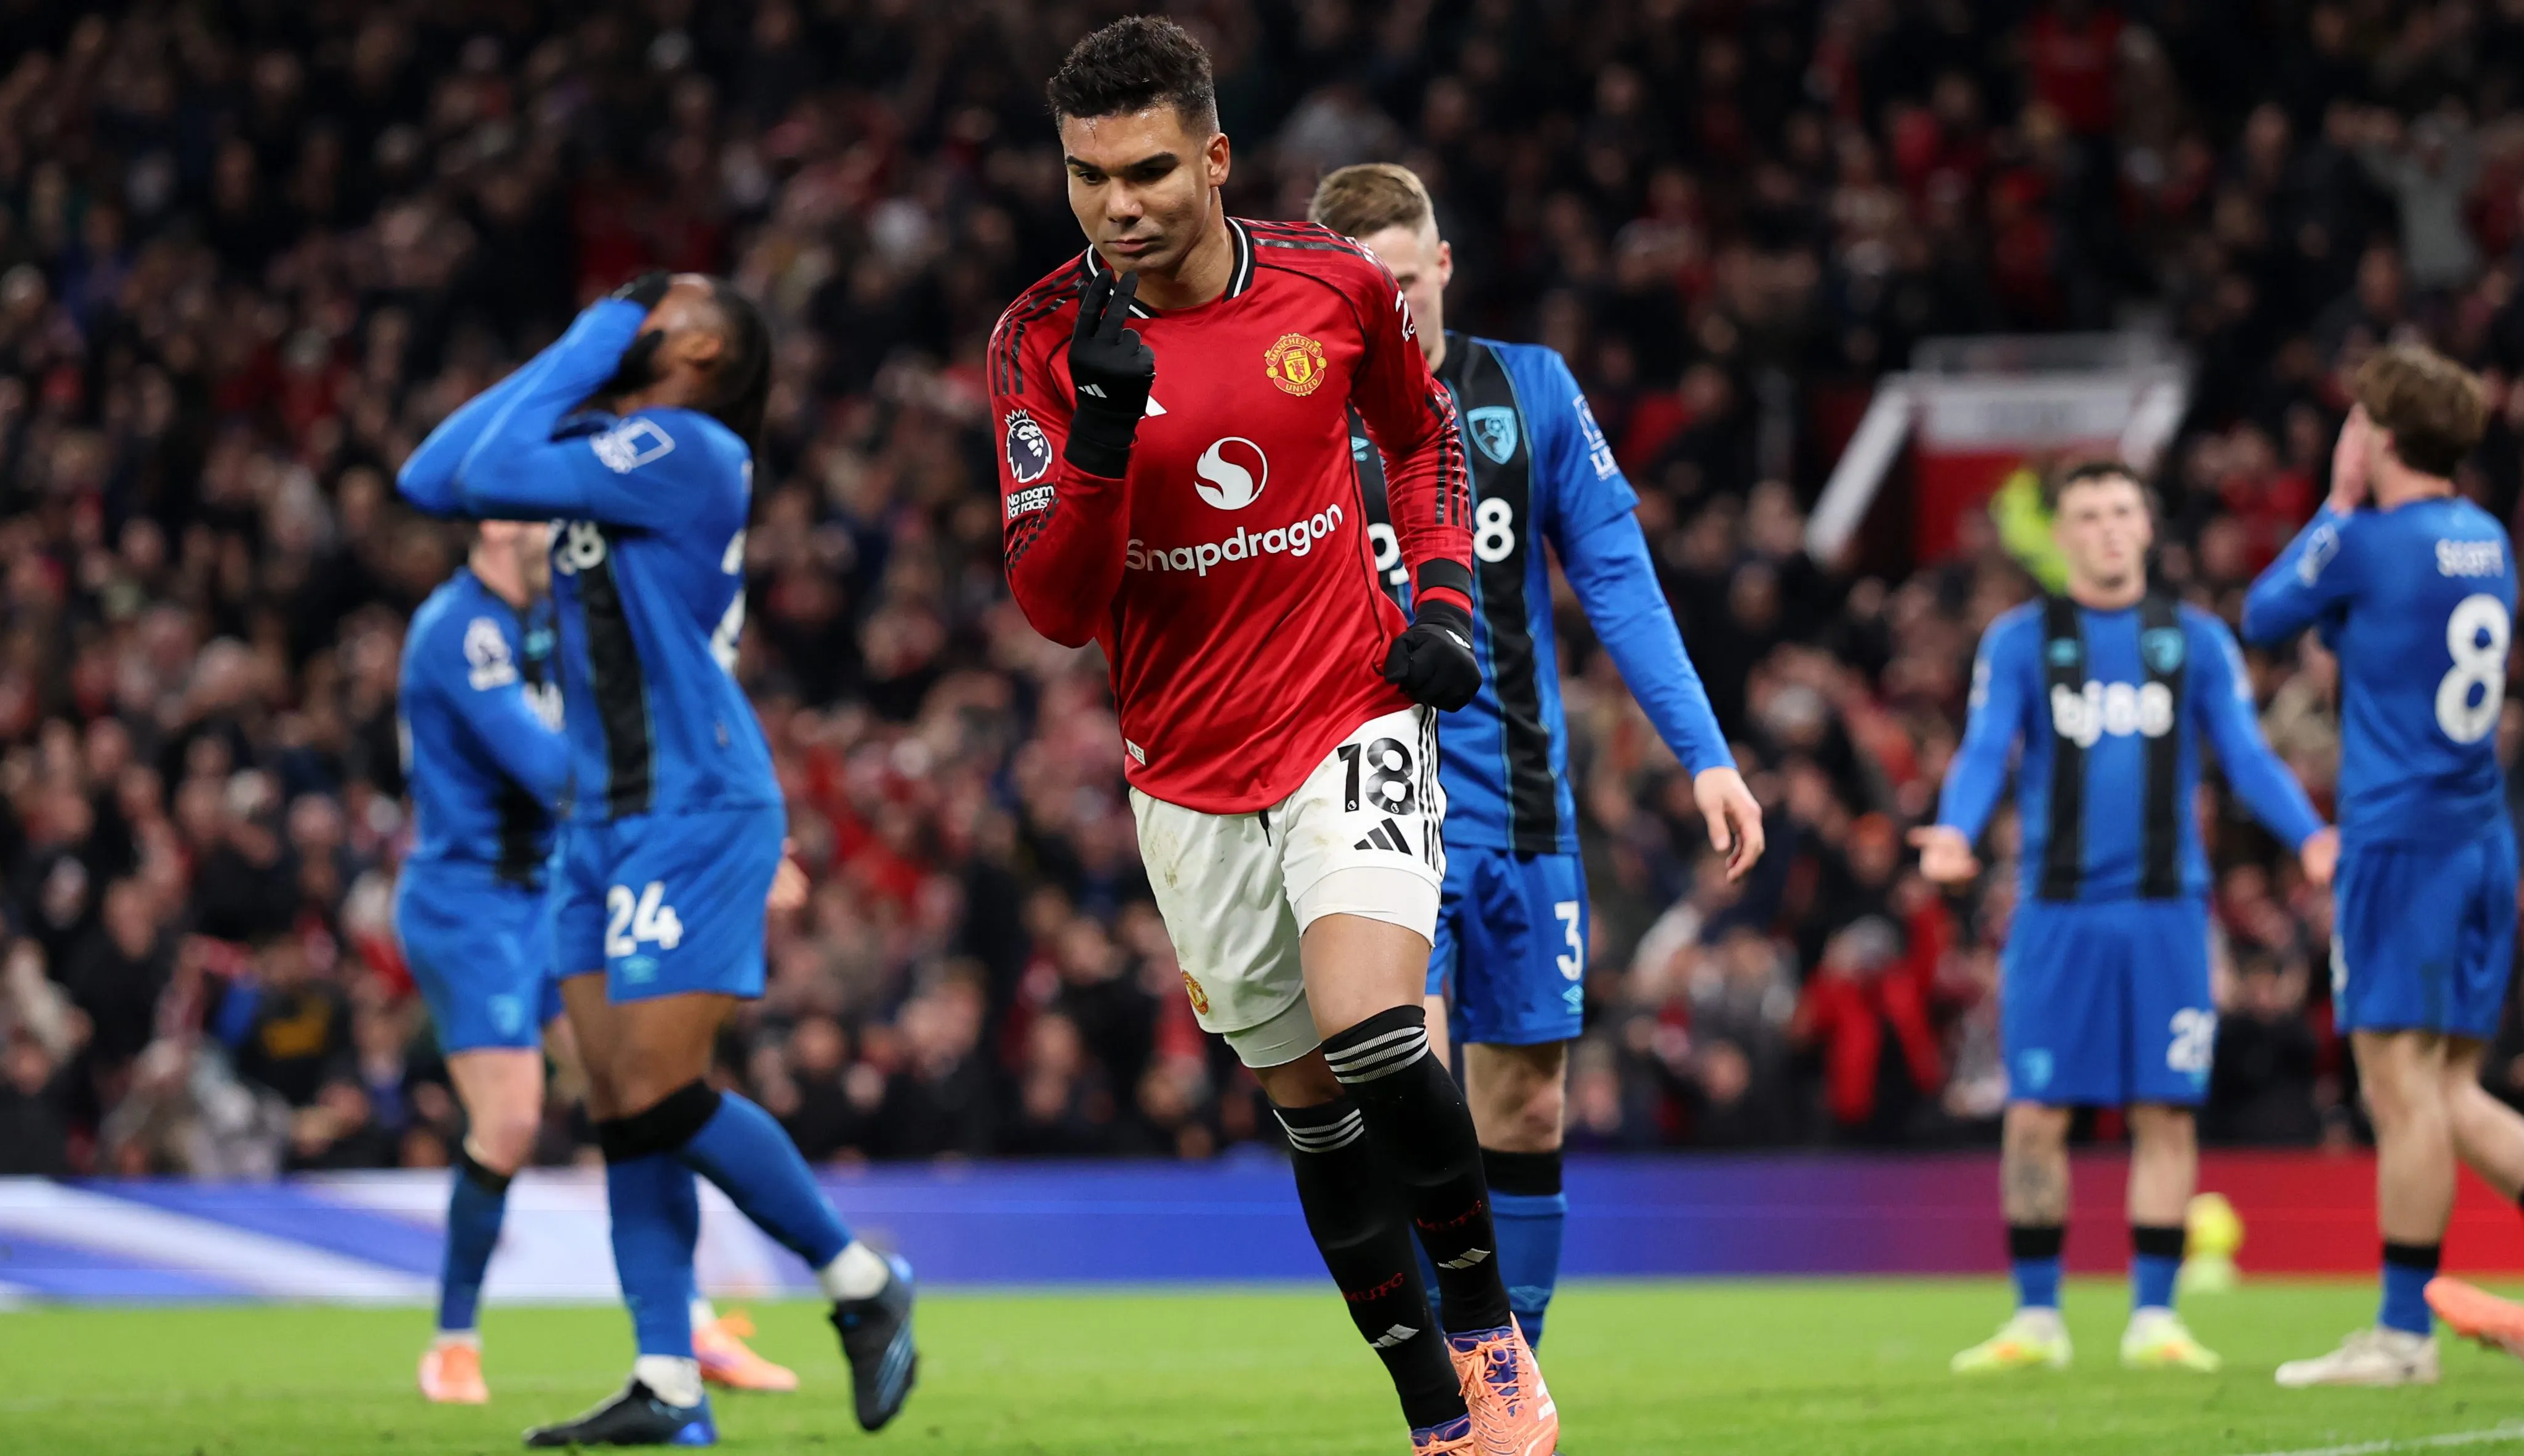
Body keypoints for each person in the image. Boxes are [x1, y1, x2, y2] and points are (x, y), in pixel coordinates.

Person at [988, 19, 1551, 1456]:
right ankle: (1432, 1412)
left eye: (1151, 170)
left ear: (1216, 157)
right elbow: (1055, 606)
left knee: (1373, 1035)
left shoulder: (1334, 286)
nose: (1119, 205)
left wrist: (1438, 601)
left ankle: (1493, 1351)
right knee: (1310, 1113)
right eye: (1088, 176)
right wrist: (1104, 444)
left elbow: (1420, 439)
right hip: (1184, 771)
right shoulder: (1041, 341)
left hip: (1341, 712)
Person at [398, 271, 915, 1445]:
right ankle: (668, 1381)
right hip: (601, 825)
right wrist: (576, 348)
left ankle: (856, 1276)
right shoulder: (605, 442)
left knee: (664, 1091)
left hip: (691, 806)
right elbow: (432, 477)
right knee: (625, 1110)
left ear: (702, 354)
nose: (636, 315)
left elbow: (480, 474)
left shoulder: (690, 448)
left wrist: (586, 333)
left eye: (659, 309)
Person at [1309, 162, 1764, 1352]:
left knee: (1527, 1096)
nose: (1390, 307)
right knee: (1417, 1095)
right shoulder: (1298, 408)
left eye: (1406, 281)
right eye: (1364, 288)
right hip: (1368, 819)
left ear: (1441, 266)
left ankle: (1516, 1376)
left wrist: (1704, 755)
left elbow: (1617, 580)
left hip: (1516, 808)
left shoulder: (1531, 392)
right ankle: (1457, 1384)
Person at [1914, 460, 2334, 1376]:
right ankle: (2036, 1317)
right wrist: (1952, 830)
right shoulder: (2020, 641)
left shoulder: (2194, 641)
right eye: (2086, 515)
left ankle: (2154, 1315)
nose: (2105, 529)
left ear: (2146, 528)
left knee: (2165, 1111)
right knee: (2033, 1114)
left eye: (2119, 512)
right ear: (2060, 536)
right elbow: (1985, 747)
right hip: (2054, 914)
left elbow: (2248, 756)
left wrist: (2309, 835)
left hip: (2164, 913)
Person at [395, 522, 796, 1405]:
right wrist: (704, 828)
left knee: (643, 1085)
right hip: (472, 903)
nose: (563, 527)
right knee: (510, 1123)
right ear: (502, 525)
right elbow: (550, 769)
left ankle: (686, 1324)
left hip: (548, 891)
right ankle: (453, 1341)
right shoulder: (463, 629)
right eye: (544, 514)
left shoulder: (538, 623)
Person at [2242, 344, 2524, 1388]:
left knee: (2398, 1090)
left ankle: (2400, 1335)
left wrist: (2338, 505)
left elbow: (2263, 614)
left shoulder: (2368, 541)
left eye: (2352, 422)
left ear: (2377, 438)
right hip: (2481, 839)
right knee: (2447, 1086)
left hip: (2398, 840)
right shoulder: (2484, 538)